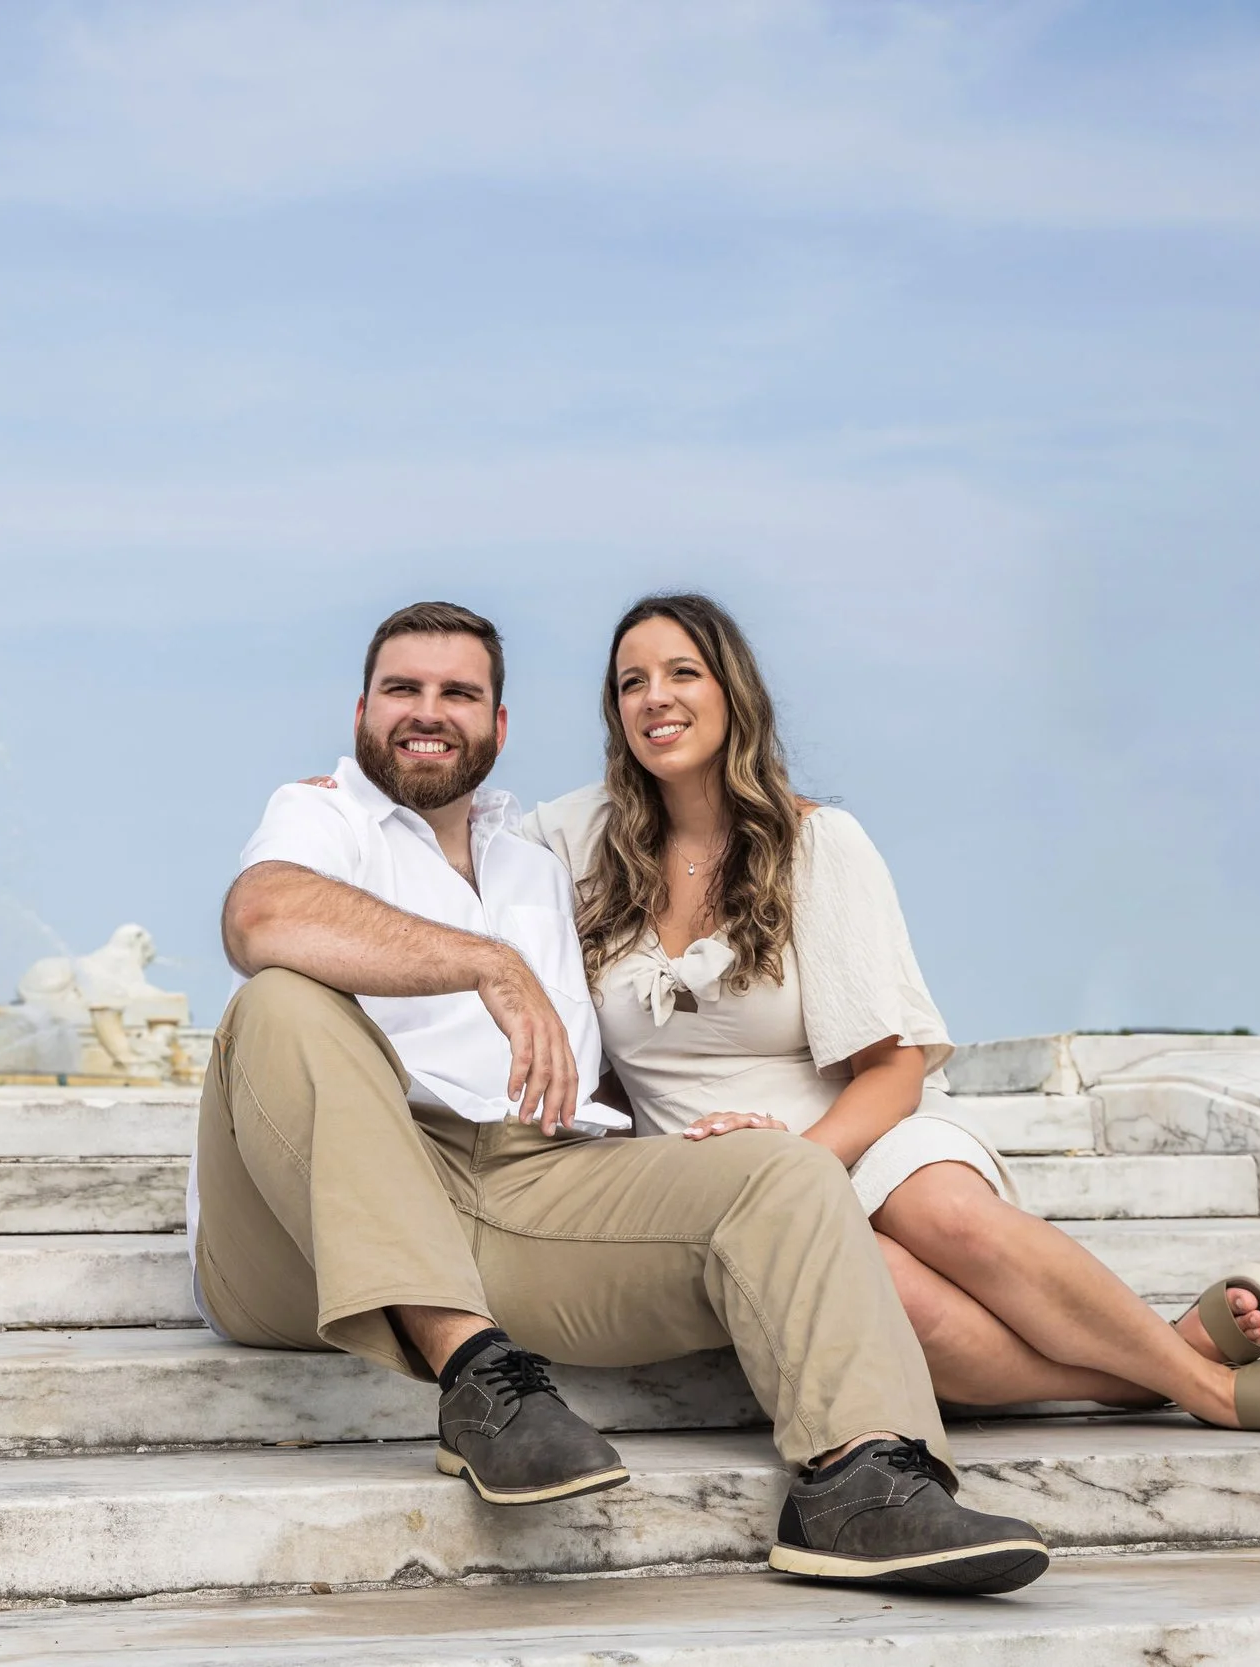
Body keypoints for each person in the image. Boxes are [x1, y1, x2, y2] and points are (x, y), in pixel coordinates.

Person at [197, 600, 1050, 1593]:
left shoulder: (533, 858)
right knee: (283, 999)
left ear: (499, 725)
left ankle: (858, 1482)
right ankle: (477, 1377)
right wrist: (486, 965)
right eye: (402, 689)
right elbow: (259, 916)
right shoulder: (320, 815)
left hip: (516, 1185)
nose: (427, 713)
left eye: (458, 693)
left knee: (778, 1170)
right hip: (309, 1220)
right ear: (359, 711)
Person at [520, 592, 1260, 1440]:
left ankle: (1210, 1392)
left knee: (950, 1214)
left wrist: (803, 1161)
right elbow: (461, 837)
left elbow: (894, 1068)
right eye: (631, 682)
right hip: (715, 1170)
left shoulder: (818, 844)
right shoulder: (582, 842)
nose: (655, 698)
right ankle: (1162, 1366)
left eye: (682, 672)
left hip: (855, 1123)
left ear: (732, 693)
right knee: (894, 1295)